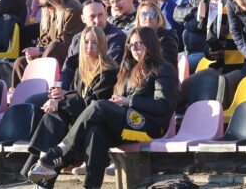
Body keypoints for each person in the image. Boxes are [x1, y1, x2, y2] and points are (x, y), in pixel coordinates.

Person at [28, 27, 177, 189]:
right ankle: (91, 186)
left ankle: (58, 152)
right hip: (127, 122)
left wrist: (129, 102)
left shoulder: (163, 68)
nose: (134, 49)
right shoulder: (127, 69)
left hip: (151, 125)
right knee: (96, 131)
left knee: (98, 105)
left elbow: (164, 106)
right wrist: (118, 102)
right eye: (131, 45)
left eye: (139, 44)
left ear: (150, 44)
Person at [20, 26, 119, 187]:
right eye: (86, 42)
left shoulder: (109, 70)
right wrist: (57, 101)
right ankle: (43, 169)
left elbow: (93, 104)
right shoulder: (82, 68)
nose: (89, 47)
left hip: (97, 121)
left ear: (102, 45)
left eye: (94, 43)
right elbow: (75, 94)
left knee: (58, 115)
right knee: (52, 115)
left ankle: (44, 168)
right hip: (79, 118)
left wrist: (62, 101)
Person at [13, 0, 82, 87]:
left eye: (48, 4)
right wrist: (34, 53)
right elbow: (44, 39)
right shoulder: (48, 12)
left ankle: (43, 88)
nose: (45, 8)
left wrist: (40, 50)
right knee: (20, 62)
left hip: (71, 55)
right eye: (42, 5)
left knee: (55, 47)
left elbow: (66, 41)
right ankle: (20, 92)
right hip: (50, 53)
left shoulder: (72, 10)